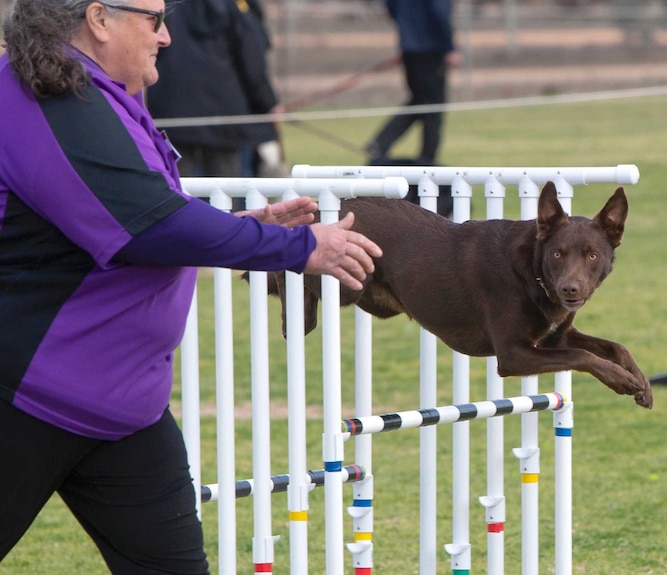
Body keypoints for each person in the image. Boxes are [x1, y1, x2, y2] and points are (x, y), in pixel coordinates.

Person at [0, 0, 381, 572]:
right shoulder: (52, 95)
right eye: (154, 19)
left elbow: (142, 215)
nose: (168, 36)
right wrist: (301, 248)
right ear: (99, 19)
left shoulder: (86, 90)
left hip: (123, 405)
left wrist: (242, 230)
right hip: (24, 396)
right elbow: (148, 225)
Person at [145, 0, 285, 192]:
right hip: (222, 114)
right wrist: (267, 102)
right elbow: (252, 57)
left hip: (174, 109)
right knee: (225, 191)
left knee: (180, 188)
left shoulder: (167, 4)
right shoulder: (234, 5)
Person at [364, 0, 461, 165]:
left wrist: (408, 28)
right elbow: (440, 12)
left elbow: (390, 5)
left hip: (409, 47)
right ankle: (427, 160)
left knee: (419, 100)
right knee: (433, 106)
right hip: (432, 48)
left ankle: (380, 144)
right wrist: (449, 46)